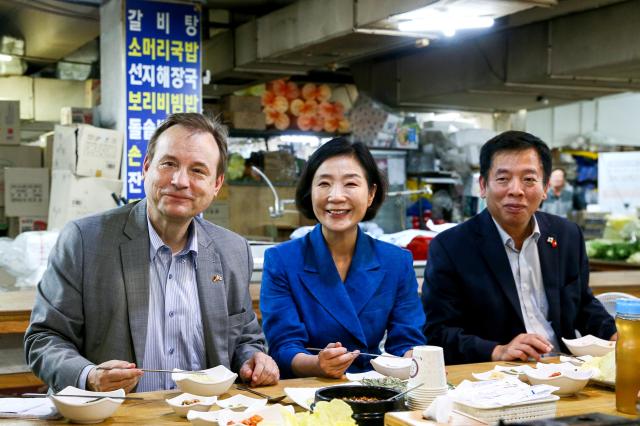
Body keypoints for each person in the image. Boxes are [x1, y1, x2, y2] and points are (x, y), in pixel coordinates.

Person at [24, 113, 279, 393]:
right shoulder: (86, 241)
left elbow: (245, 338)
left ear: (216, 184)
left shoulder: (232, 250)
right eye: (169, 164)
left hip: (204, 415)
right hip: (113, 417)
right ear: (146, 168)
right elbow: (45, 337)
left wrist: (252, 359)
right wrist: (89, 376)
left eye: (198, 170)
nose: (180, 181)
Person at [422, 131, 616, 365]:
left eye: (529, 179)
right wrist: (498, 350)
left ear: (545, 187)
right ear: (483, 186)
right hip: (494, 377)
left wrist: (615, 335)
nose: (516, 190)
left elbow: (583, 304)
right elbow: (437, 332)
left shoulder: (566, 235)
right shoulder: (451, 247)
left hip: (562, 370)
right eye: (503, 179)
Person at [260, 137, 426, 379]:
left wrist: (416, 360)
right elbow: (283, 346)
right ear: (310, 192)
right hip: (305, 390)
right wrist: (318, 363)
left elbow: (406, 340)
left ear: (370, 194)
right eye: (324, 184)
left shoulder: (396, 262)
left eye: (350, 184)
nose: (336, 196)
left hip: (372, 388)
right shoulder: (281, 260)